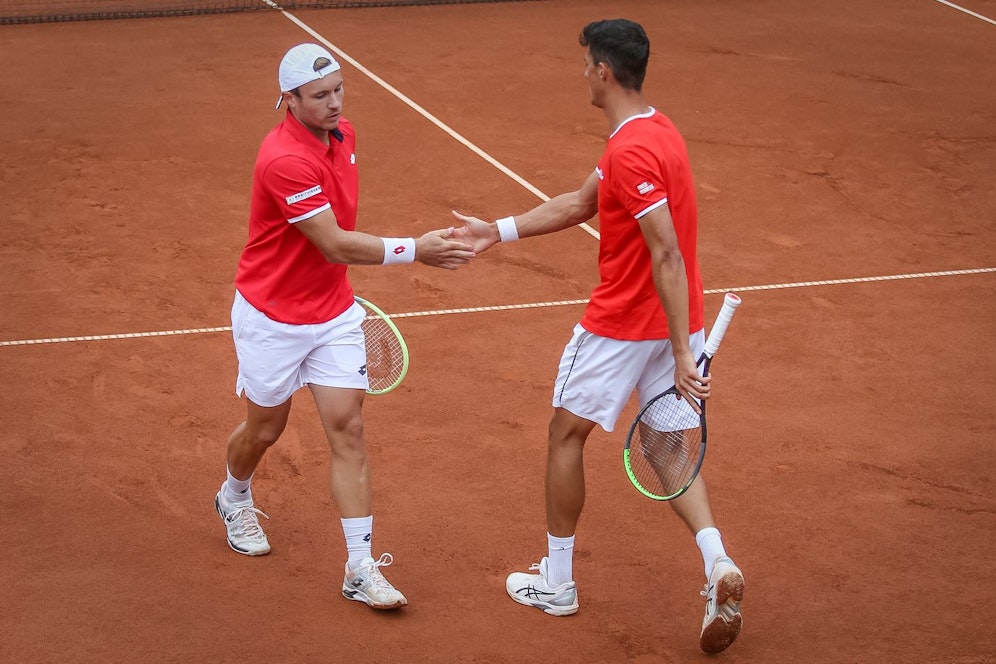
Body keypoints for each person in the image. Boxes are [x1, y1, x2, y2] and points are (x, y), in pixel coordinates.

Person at [452, 19, 744, 653]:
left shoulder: (631, 151)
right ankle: (718, 564)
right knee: (667, 451)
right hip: (676, 323)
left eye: (586, 63)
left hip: (626, 330)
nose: (581, 72)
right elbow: (581, 203)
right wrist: (494, 231)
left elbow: (665, 253)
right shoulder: (654, 132)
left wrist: (678, 350)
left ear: (604, 72)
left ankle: (557, 582)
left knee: (566, 434)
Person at [215, 43, 474, 611]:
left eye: (338, 91)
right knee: (265, 429)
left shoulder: (344, 135)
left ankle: (360, 566)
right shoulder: (284, 159)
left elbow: (335, 247)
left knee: (348, 430)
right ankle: (234, 495)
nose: (334, 104)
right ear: (288, 100)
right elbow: (332, 241)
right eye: (319, 96)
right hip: (272, 318)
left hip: (333, 313)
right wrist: (416, 250)